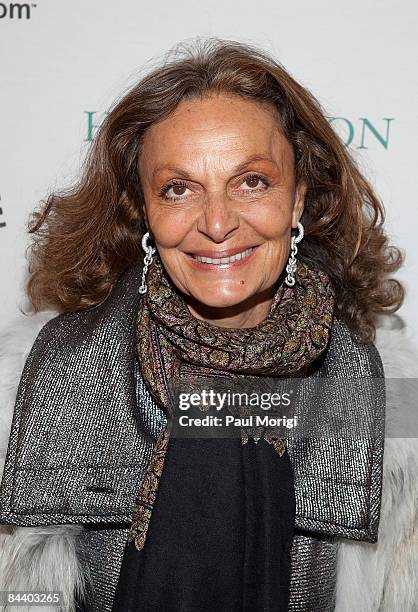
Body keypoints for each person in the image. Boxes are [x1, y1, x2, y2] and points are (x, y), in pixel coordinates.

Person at [0, 38, 417, 612]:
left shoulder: (388, 401)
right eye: (178, 188)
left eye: (252, 181)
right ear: (143, 210)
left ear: (297, 199)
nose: (217, 223)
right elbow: (20, 596)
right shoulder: (45, 381)